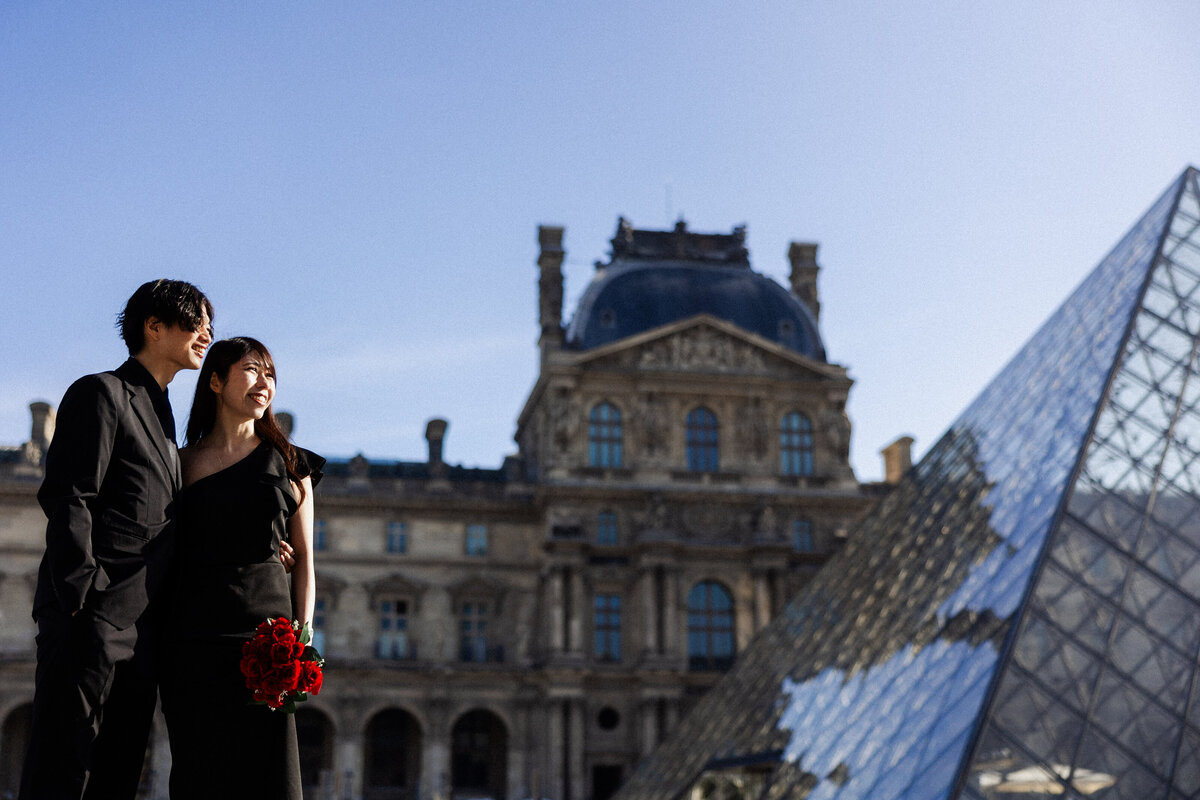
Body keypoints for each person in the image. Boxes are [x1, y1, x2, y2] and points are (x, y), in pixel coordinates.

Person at [21, 279, 213, 800]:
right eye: (196, 322)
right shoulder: (102, 392)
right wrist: (86, 600)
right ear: (154, 326)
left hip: (143, 626)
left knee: (118, 772)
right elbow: (69, 497)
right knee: (65, 770)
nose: (208, 335)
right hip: (96, 617)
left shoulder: (164, 415)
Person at [160, 336, 322, 800]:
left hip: (267, 645)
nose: (264, 382)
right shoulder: (181, 465)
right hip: (194, 644)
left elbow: (306, 559)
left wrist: (301, 640)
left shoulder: (292, 465)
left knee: (273, 782)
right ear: (215, 381)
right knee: (199, 778)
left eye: (270, 374)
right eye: (252, 370)